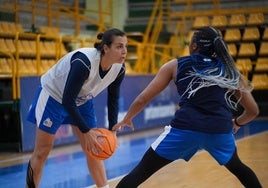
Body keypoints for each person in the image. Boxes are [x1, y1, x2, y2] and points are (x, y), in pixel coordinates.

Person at [113, 26, 262, 187]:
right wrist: (237, 123)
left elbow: (143, 99)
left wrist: (128, 118)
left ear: (194, 46)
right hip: (219, 129)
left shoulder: (175, 65)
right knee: (241, 169)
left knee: (141, 171)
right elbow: (253, 111)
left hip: (185, 129)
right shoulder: (227, 69)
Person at [26, 28, 128, 188]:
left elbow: (113, 98)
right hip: (54, 96)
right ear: (106, 48)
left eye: (126, 46)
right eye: (119, 46)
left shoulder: (119, 69)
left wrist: (112, 129)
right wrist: (86, 131)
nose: (124, 51)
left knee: (95, 147)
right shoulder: (84, 62)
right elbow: (67, 99)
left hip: (82, 100)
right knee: (42, 151)